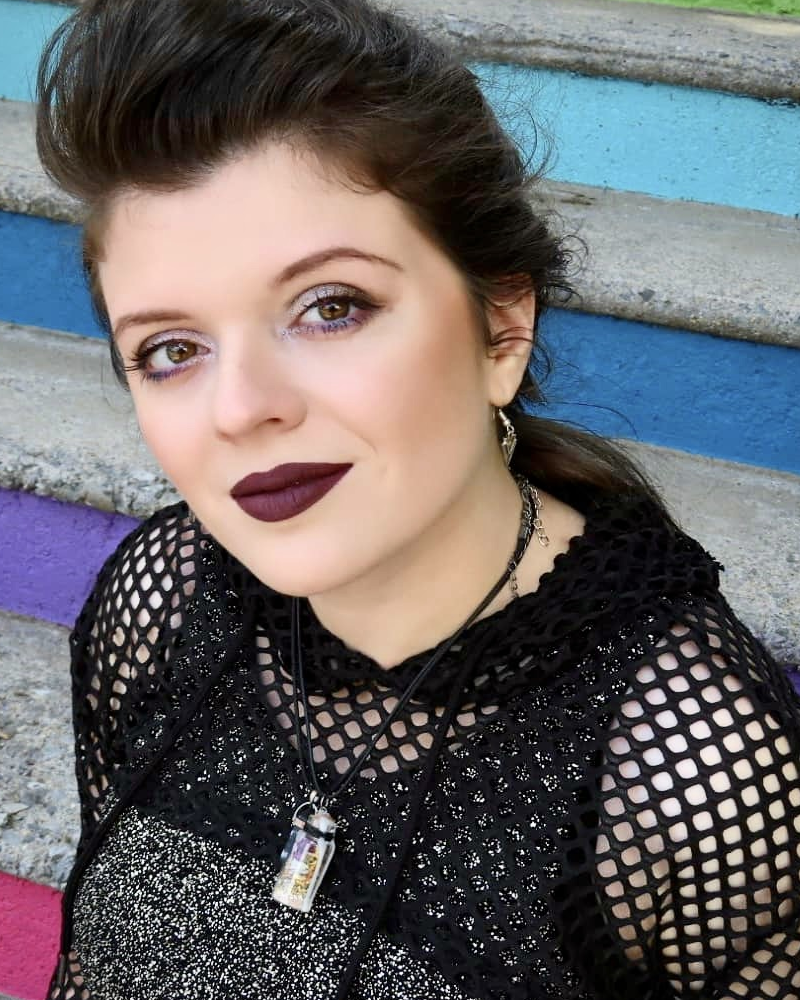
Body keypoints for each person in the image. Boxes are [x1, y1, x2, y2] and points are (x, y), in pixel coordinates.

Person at [35, 1, 800, 997]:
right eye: (171, 350)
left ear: (500, 327)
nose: (242, 409)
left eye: (330, 307)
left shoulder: (688, 773)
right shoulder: (165, 595)